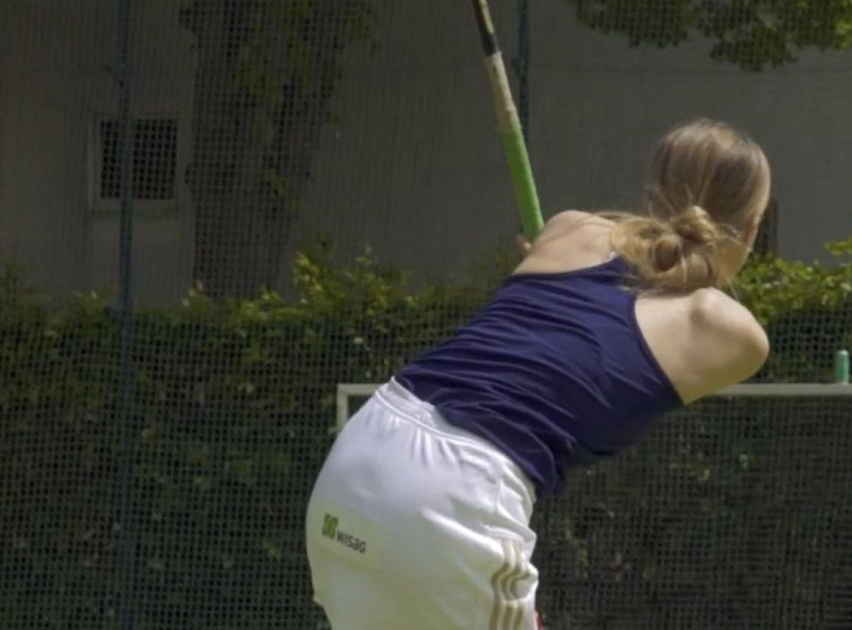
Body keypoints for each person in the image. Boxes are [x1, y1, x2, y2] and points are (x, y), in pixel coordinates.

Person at [305, 118, 772, 630]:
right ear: (750, 229)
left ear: (652, 188)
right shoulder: (734, 334)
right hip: (455, 493)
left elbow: (571, 318)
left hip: (360, 457)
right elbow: (651, 312)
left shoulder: (569, 227)